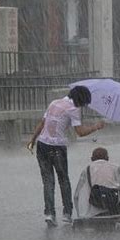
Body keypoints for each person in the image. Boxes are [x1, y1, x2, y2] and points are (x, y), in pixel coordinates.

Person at [27, 86, 104, 227]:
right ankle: (67, 214)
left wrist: (32, 140)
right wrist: (96, 127)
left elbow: (42, 123)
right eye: (84, 102)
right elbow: (80, 132)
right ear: (80, 99)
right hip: (57, 148)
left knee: (48, 182)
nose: (84, 105)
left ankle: (49, 213)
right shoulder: (73, 109)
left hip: (42, 145)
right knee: (64, 180)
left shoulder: (54, 103)